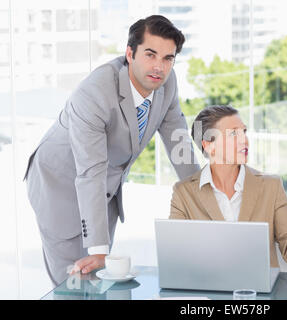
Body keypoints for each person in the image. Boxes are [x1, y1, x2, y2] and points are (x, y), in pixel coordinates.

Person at [24, 15, 200, 286]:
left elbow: (178, 141)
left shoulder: (167, 82)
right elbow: (90, 171)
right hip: (59, 185)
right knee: (74, 283)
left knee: (102, 281)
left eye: (168, 58)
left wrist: (202, 198)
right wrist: (97, 249)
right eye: (150, 55)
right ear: (130, 53)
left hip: (103, 187)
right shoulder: (95, 93)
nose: (159, 67)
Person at [170, 105, 287, 268]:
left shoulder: (270, 186)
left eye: (243, 132)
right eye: (233, 134)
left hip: (259, 294)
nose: (244, 140)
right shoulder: (183, 193)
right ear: (209, 145)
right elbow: (176, 256)